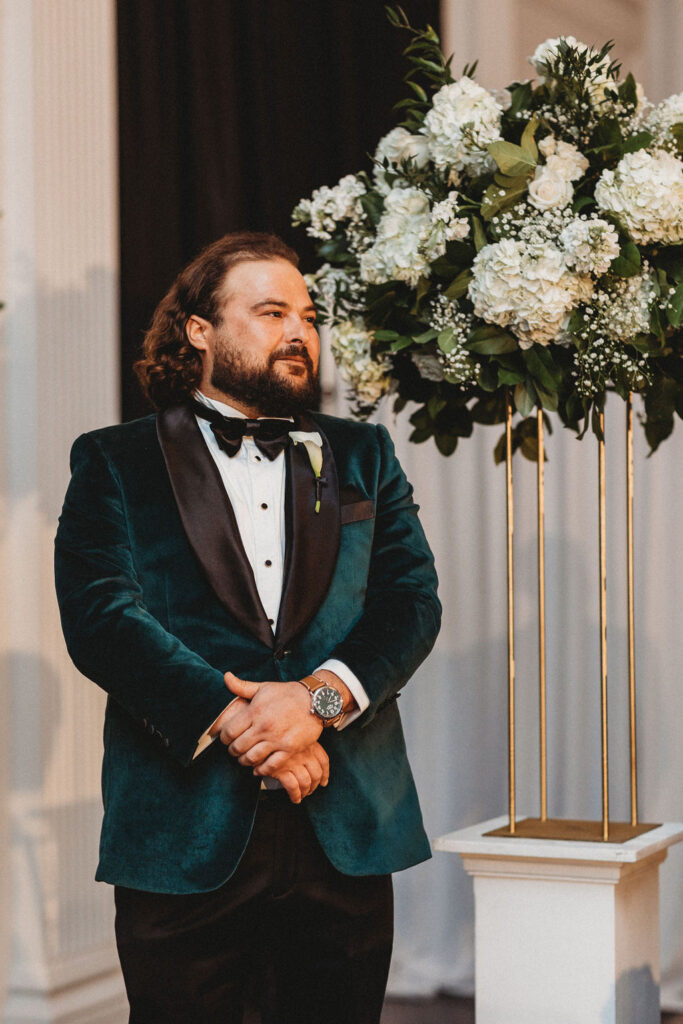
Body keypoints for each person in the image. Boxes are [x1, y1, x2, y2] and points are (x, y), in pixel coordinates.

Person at [54, 231, 441, 1024]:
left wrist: (317, 703)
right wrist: (240, 720)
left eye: (306, 315)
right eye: (271, 312)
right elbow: (101, 616)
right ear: (199, 329)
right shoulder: (114, 460)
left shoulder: (363, 454)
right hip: (182, 826)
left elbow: (409, 602)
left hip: (347, 820)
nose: (299, 332)